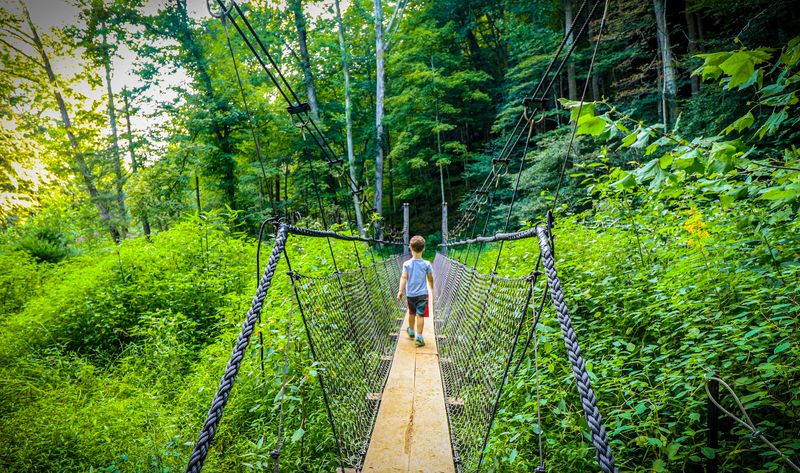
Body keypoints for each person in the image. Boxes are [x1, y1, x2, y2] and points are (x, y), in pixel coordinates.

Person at [396, 235, 434, 347]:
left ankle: (411, 330)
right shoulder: (427, 264)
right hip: (423, 294)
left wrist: (400, 291)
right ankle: (419, 337)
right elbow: (430, 278)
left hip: (410, 294)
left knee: (412, 312)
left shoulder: (406, 264)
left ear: (410, 248)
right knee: (420, 315)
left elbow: (403, 278)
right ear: (423, 248)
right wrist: (431, 287)